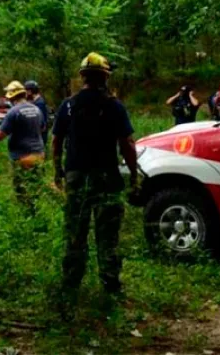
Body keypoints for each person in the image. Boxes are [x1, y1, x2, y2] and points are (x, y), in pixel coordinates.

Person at [52, 52, 137, 303]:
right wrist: (133, 173)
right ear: (105, 77)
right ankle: (111, 285)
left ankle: (71, 285)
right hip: (106, 177)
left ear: (82, 77)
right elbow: (127, 144)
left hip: (76, 177)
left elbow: (57, 141)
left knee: (75, 233)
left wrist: (58, 170)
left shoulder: (68, 105)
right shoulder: (114, 106)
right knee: (108, 235)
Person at [0, 81, 45, 209]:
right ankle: (37, 212)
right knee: (36, 186)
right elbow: (42, 128)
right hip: (39, 154)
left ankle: (26, 213)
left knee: (21, 190)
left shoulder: (13, 112)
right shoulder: (36, 109)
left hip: (22, 157)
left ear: (11, 96)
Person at [24, 80, 49, 151]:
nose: (25, 93)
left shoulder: (39, 103)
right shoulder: (37, 102)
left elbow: (41, 123)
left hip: (38, 138)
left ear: (30, 91)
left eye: (26, 91)